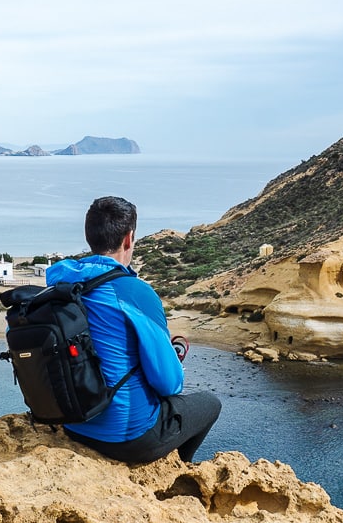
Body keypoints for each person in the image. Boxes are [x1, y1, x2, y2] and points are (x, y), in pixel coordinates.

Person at [45, 196, 220, 464]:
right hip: (127, 438)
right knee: (209, 403)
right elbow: (169, 383)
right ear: (129, 239)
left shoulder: (61, 284)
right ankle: (183, 471)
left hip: (73, 425)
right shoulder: (135, 292)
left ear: (90, 236)